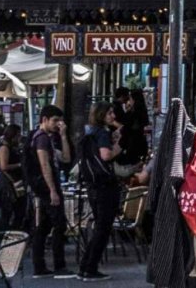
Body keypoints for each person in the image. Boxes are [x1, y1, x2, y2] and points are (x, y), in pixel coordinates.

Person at [76, 104, 119, 282]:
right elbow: (106, 156)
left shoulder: (90, 133)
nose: (113, 115)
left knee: (99, 227)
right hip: (104, 187)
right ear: (102, 115)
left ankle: (85, 267)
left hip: (93, 186)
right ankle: (90, 267)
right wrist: (119, 147)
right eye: (109, 112)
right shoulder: (101, 133)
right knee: (103, 228)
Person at [28, 105, 72, 277]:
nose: (58, 124)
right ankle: (58, 265)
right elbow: (44, 164)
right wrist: (52, 190)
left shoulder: (48, 138)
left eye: (60, 120)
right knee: (59, 224)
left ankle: (40, 266)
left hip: (46, 188)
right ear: (44, 120)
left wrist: (63, 135)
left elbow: (66, 158)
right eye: (55, 120)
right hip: (47, 188)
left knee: (45, 226)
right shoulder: (41, 139)